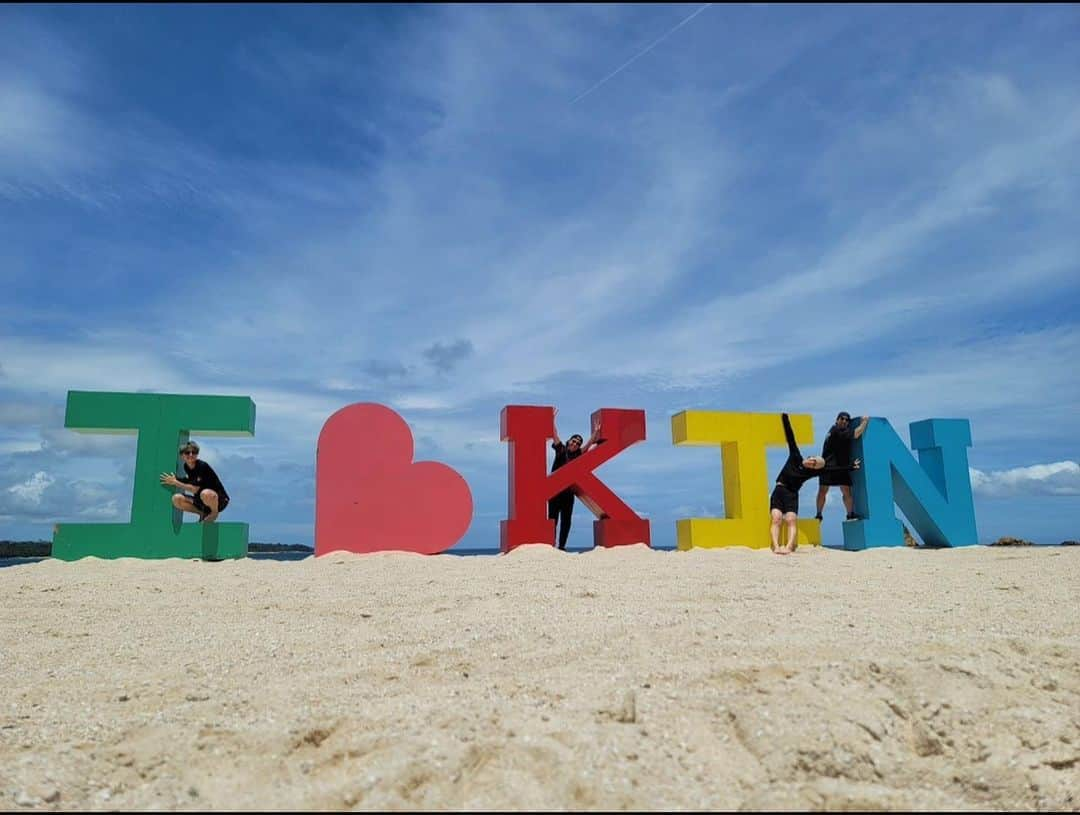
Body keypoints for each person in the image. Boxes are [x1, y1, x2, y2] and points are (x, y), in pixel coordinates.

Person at [771, 413, 860, 555]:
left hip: (792, 495)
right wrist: (785, 418)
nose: (811, 462)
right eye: (812, 460)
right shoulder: (795, 456)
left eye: (814, 464)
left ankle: (788, 547)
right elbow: (790, 436)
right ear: (809, 457)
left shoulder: (810, 473)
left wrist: (850, 467)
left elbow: (832, 469)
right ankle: (776, 547)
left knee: (791, 520)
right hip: (779, 490)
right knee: (776, 519)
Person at [549, 408, 601, 550]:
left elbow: (588, 446)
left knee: (566, 521)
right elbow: (555, 435)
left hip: (568, 494)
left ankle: (562, 547)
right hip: (554, 493)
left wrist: (596, 433)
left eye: (578, 443)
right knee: (552, 520)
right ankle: (550, 546)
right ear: (569, 441)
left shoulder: (578, 455)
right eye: (574, 441)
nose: (575, 444)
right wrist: (552, 419)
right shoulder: (561, 450)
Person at [814, 411, 870, 522]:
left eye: (847, 420)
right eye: (842, 418)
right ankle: (819, 514)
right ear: (837, 420)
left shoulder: (833, 430)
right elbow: (856, 434)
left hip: (839, 466)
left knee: (846, 491)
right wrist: (864, 422)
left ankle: (849, 514)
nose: (844, 421)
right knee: (823, 491)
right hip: (829, 467)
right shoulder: (837, 430)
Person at [160, 441, 230, 523]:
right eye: (187, 452)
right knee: (176, 499)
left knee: (205, 493)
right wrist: (175, 479)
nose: (191, 455)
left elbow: (195, 489)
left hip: (218, 500)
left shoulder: (202, 466)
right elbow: (190, 481)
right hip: (202, 501)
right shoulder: (186, 467)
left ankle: (214, 513)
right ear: (182, 455)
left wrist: (175, 482)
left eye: (194, 452)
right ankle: (202, 513)